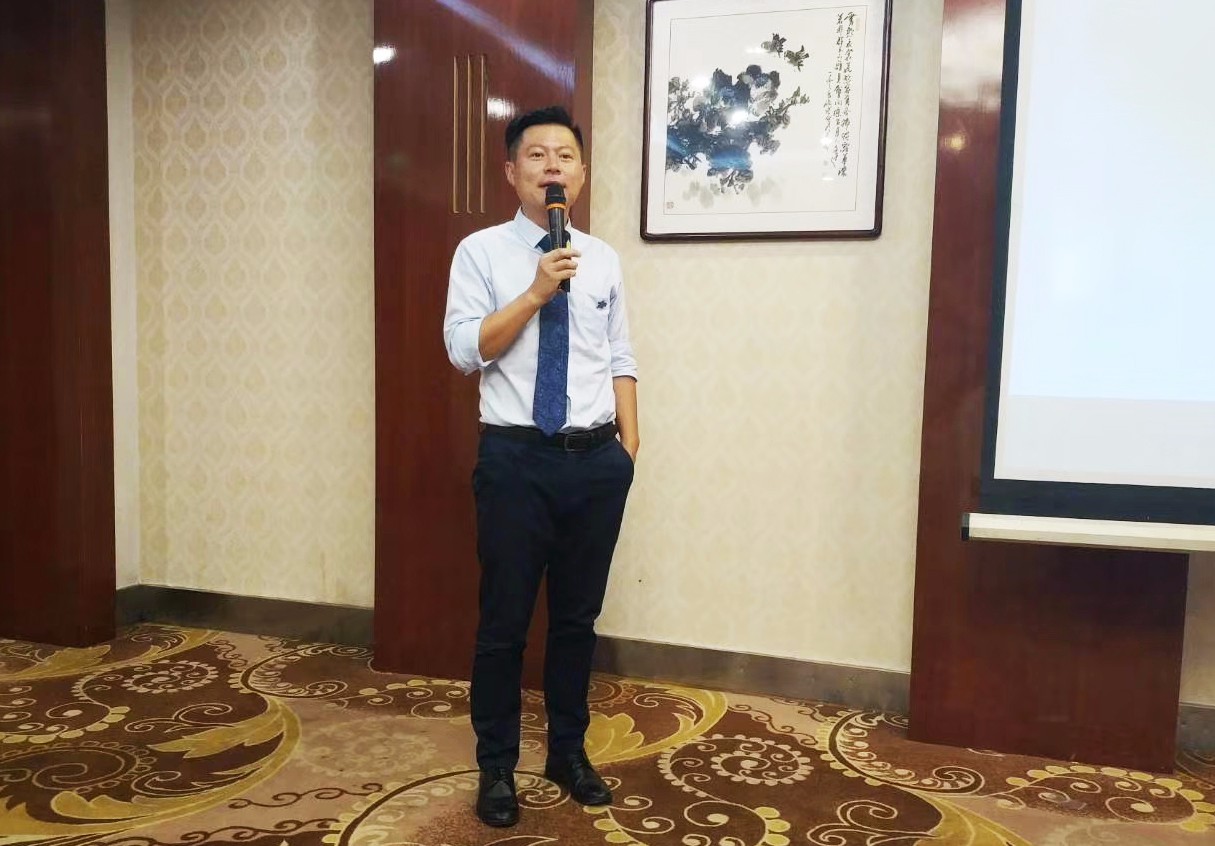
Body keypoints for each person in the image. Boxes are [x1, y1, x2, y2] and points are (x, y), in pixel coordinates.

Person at [442, 105, 638, 828]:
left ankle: (567, 752)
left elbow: (619, 355)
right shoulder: (481, 253)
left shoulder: (604, 258)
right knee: (504, 623)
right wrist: (533, 292)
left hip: (595, 461)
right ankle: (496, 765)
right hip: (516, 460)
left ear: (581, 173)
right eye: (536, 155)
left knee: (577, 621)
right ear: (511, 172)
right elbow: (464, 350)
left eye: (565, 155)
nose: (552, 165)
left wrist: (628, 448)